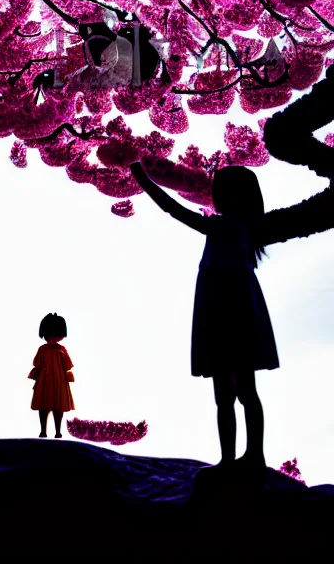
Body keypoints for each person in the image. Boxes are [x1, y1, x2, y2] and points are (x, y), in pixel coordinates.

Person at [130, 158, 306, 480]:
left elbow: (174, 210)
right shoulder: (246, 229)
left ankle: (236, 458)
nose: (215, 197)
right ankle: (251, 455)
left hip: (224, 313)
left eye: (220, 192)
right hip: (238, 312)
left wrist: (143, 178)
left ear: (235, 196)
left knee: (226, 394)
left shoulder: (224, 226)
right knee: (243, 391)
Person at [29, 312, 75, 438]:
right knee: (44, 406)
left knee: (57, 406)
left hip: (57, 380)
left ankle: (57, 431)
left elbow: (67, 365)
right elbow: (37, 363)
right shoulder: (43, 349)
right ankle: (43, 430)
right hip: (46, 381)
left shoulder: (61, 350)